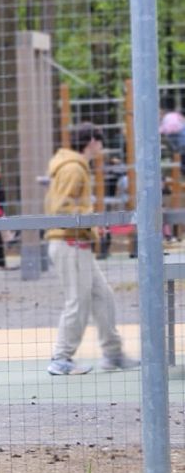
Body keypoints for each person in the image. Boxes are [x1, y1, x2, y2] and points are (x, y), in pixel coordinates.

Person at [44, 124, 137, 376]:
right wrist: (90, 223)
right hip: (69, 243)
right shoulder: (74, 168)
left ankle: (113, 353)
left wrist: (93, 226)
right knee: (78, 302)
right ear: (91, 141)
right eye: (100, 141)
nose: (102, 146)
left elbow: (72, 209)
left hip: (77, 241)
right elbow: (61, 209)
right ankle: (61, 358)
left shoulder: (75, 166)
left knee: (102, 297)